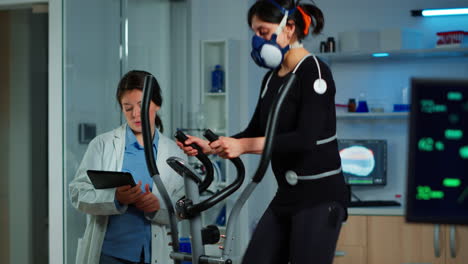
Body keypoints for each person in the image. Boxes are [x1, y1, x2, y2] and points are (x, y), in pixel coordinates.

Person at [177, 1, 349, 263]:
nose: (257, 41)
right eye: (254, 33)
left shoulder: (314, 71)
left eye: (263, 31)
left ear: (289, 28)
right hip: (288, 194)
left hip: (320, 197)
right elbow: (254, 130)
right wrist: (210, 147)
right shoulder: (271, 77)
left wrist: (243, 146)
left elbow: (306, 139)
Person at [69, 70, 186, 264]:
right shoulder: (103, 145)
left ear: (156, 104)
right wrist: (115, 198)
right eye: (127, 107)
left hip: (153, 254)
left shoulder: (175, 152)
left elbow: (185, 205)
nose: (134, 114)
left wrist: (158, 207)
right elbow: (77, 193)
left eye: (141, 105)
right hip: (108, 254)